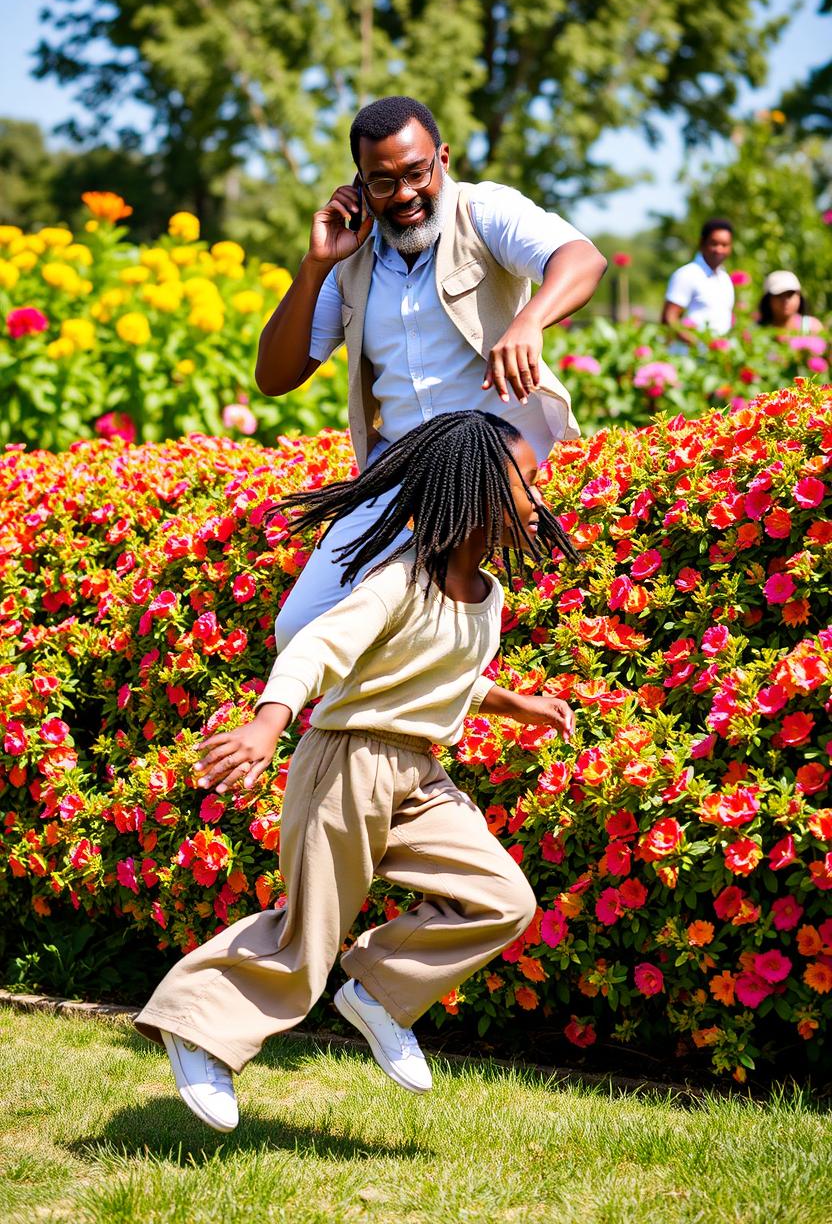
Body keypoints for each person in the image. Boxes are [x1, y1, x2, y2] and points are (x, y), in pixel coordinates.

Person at [134, 411, 577, 1132]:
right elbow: (318, 650)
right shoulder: (399, 581)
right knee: (305, 936)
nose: (538, 489)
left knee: (503, 899)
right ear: (476, 492)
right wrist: (267, 723)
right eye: (525, 476)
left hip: (419, 778)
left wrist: (514, 702)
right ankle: (200, 1032)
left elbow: (441, 674)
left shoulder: (488, 596)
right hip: (348, 762)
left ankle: (377, 995)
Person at [254, 94, 606, 648]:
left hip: (500, 468)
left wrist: (530, 321)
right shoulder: (351, 257)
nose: (406, 195)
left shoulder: (484, 209)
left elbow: (582, 259)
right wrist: (317, 262)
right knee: (299, 629)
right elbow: (275, 377)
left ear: (443, 157)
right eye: (383, 182)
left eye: (417, 173)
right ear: (360, 185)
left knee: (500, 633)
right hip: (401, 476)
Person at [662, 218, 735, 337]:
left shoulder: (725, 278)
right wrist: (696, 343)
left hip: (717, 354)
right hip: (689, 354)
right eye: (714, 243)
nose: (719, 249)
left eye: (724, 245)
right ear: (702, 243)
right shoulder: (687, 274)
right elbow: (669, 319)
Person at [756, 270, 823, 333]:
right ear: (768, 300)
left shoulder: (812, 327)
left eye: (790, 294)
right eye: (779, 295)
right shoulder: (757, 330)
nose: (785, 300)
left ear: (799, 296)